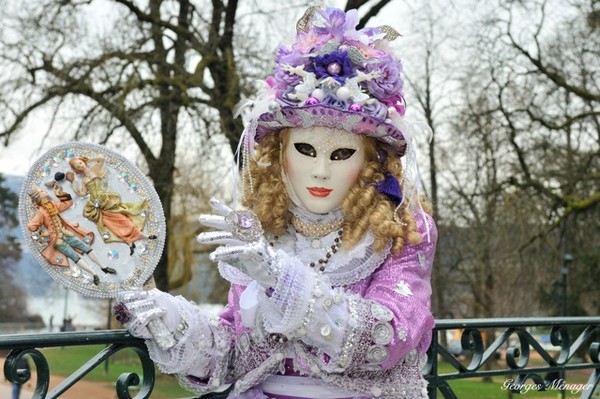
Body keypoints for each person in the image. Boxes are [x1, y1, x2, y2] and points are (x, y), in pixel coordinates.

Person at [115, 6, 437, 399]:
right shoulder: (264, 231)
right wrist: (167, 317)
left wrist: (281, 279)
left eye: (340, 155)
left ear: (372, 160)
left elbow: (390, 336)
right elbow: (231, 357)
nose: (320, 171)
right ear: (279, 153)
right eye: (304, 150)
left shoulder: (402, 232)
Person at [68, 154, 155, 255]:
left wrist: (88, 159)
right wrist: (73, 182)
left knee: (121, 218)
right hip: (96, 205)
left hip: (106, 200)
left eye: (80, 163)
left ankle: (142, 236)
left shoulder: (95, 169)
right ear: (77, 170)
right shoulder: (83, 180)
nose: (80, 166)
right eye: (78, 166)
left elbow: (101, 158)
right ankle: (129, 243)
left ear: (83, 161)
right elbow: (82, 193)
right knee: (111, 226)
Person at [27, 185, 115, 285]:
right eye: (41, 191)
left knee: (86, 248)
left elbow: (68, 203)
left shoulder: (53, 204)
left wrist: (58, 194)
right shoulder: (40, 213)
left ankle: (103, 267)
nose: (44, 191)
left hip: (66, 233)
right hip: (57, 241)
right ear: (38, 197)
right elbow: (31, 226)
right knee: (74, 257)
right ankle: (94, 274)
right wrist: (42, 233)